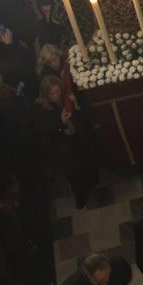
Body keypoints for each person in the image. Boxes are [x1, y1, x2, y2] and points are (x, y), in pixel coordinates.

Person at [34, 75, 98, 209]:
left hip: (76, 137)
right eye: (52, 93)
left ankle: (91, 183)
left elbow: (81, 116)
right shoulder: (42, 108)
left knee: (85, 162)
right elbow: (46, 131)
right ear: (46, 94)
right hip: (62, 145)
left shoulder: (64, 98)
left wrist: (75, 104)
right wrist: (61, 123)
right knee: (73, 173)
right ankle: (81, 197)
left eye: (58, 91)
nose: (56, 95)